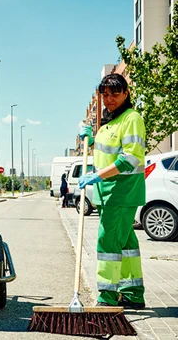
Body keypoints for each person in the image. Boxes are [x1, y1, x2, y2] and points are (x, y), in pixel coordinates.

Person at [78, 73, 145, 309]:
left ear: (126, 93)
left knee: (108, 243)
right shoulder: (110, 122)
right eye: (104, 94)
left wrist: (97, 175)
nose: (109, 99)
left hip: (122, 191)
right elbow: (108, 152)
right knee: (126, 245)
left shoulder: (131, 118)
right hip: (107, 192)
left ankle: (107, 297)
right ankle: (133, 293)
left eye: (114, 93)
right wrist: (92, 139)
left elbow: (132, 158)